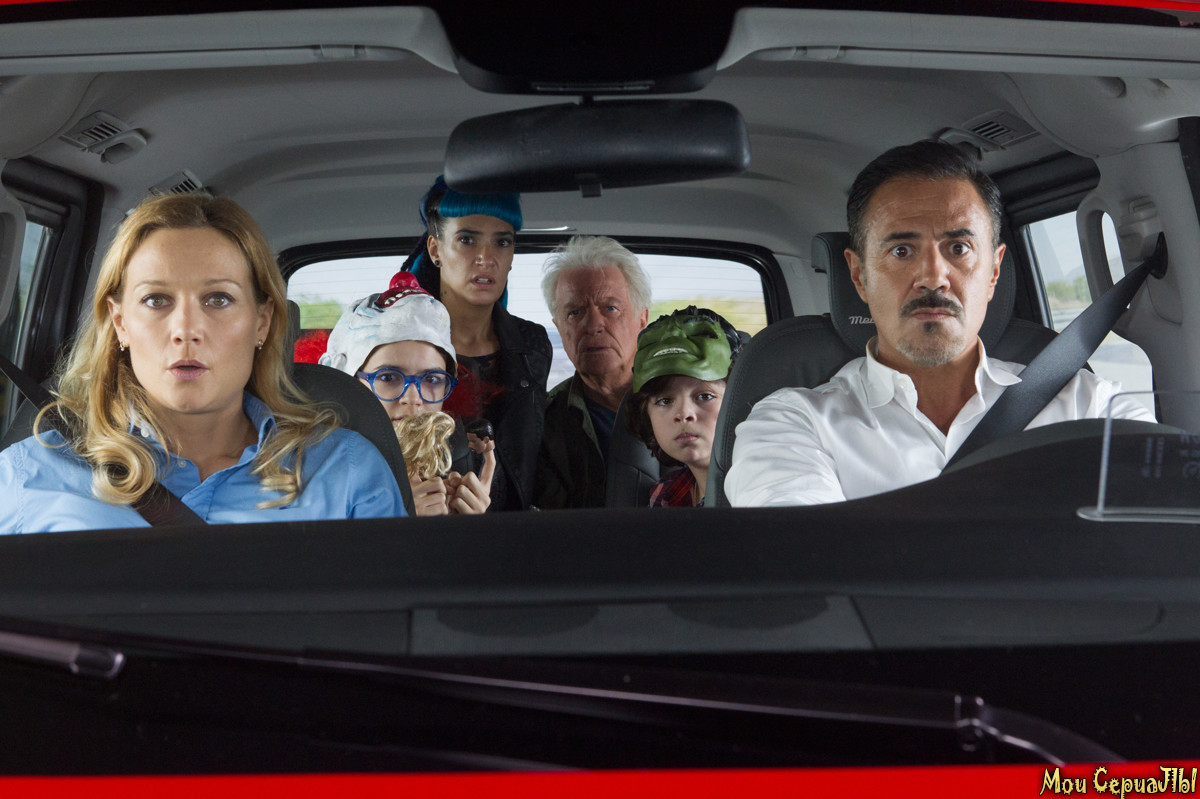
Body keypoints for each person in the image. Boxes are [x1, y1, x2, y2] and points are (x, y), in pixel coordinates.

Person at [726, 140, 1155, 506]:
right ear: (859, 276)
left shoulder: (1089, 405)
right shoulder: (792, 424)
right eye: (901, 251)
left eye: (958, 248)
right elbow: (801, 560)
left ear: (993, 272)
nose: (933, 277)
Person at [0, 194, 405, 533]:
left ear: (261, 322)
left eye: (218, 299)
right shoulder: (22, 478)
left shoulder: (346, 471)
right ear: (120, 323)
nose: (186, 330)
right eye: (156, 300)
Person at [402, 175, 551, 511]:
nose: (486, 257)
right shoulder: (400, 344)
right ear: (435, 249)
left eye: (502, 242)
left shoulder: (533, 345)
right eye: (467, 240)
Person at [319, 271, 496, 516]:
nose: (413, 399)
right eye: (388, 378)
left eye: (432, 379)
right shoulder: (309, 465)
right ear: (347, 381)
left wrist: (471, 528)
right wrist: (393, 515)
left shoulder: (466, 461)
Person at [534, 235, 651, 509]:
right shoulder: (543, 423)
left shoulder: (685, 402)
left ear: (642, 320)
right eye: (574, 313)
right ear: (559, 328)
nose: (593, 325)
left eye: (611, 308)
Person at [627, 307, 741, 508]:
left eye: (705, 396)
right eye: (664, 401)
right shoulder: (665, 496)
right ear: (646, 415)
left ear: (737, 401)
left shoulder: (766, 492)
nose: (684, 414)